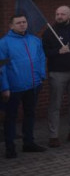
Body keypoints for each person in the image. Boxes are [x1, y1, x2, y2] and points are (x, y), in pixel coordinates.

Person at [1, 14, 48, 158]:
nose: (22, 24)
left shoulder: (34, 40)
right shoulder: (4, 43)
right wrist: (5, 87)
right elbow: (1, 68)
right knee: (10, 118)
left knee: (30, 114)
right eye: (18, 22)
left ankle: (28, 143)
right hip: (14, 88)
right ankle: (10, 148)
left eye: (24, 22)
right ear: (11, 26)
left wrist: (41, 76)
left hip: (33, 85)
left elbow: (41, 58)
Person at [42, 5, 70, 146]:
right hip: (57, 74)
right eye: (57, 14)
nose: (59, 16)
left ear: (69, 15)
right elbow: (45, 52)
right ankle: (53, 135)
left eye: (62, 14)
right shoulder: (49, 32)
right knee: (55, 105)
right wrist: (58, 51)